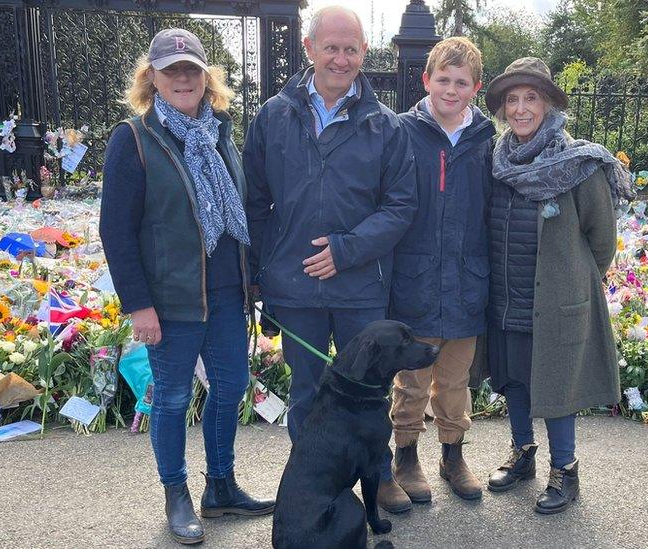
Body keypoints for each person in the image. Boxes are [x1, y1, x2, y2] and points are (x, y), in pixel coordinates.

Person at [100, 28, 274, 545]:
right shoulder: (132, 138)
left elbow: (241, 210)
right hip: (170, 301)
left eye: (191, 69)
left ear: (206, 78)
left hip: (224, 294)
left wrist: (253, 281)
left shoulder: (220, 134)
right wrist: (138, 306)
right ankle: (176, 493)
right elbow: (116, 230)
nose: (182, 78)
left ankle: (220, 487)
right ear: (151, 77)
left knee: (230, 388)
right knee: (173, 399)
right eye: (171, 69)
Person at [242, 4, 416, 509]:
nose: (341, 59)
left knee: (369, 392)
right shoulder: (273, 117)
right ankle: (312, 481)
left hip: (360, 287)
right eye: (331, 47)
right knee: (307, 392)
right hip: (295, 288)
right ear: (309, 48)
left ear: (364, 53)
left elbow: (401, 206)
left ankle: (378, 476)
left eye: (351, 49)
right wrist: (259, 273)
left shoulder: (387, 127)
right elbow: (254, 202)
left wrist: (346, 250)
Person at [482, 57, 633, 515]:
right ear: (504, 108)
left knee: (558, 386)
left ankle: (565, 470)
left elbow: (602, 240)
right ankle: (523, 453)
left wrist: (573, 281)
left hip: (556, 297)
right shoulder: (498, 160)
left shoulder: (578, 164)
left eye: (531, 98)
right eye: (513, 99)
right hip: (507, 293)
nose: (521, 108)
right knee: (516, 379)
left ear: (548, 104)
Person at [386, 37, 495, 509]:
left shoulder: (489, 140)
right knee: (411, 379)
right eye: (443, 80)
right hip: (415, 279)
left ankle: (453, 455)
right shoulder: (399, 132)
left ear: (475, 88)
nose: (451, 90)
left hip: (468, 278)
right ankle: (405, 456)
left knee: (455, 380)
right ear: (426, 80)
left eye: (462, 83)